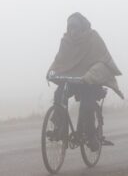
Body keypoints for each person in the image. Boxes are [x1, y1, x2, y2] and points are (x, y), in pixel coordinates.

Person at [46, 12, 123, 151]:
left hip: (90, 82)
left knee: (87, 106)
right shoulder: (66, 41)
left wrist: (89, 76)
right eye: (70, 28)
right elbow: (59, 60)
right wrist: (51, 71)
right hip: (72, 80)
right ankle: (60, 128)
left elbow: (102, 60)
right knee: (58, 95)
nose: (73, 32)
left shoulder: (93, 38)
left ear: (82, 27)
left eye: (75, 28)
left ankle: (91, 137)